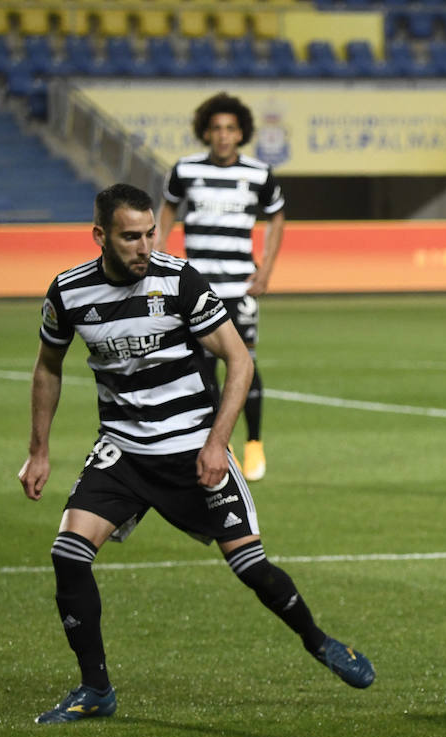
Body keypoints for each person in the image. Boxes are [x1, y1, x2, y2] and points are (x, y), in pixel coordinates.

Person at [19, 184, 373, 725]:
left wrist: (214, 442)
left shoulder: (180, 280)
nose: (143, 246)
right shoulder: (69, 293)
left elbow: (239, 361)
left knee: (251, 567)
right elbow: (48, 366)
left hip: (191, 449)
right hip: (123, 452)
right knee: (68, 555)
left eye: (149, 234)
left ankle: (319, 641)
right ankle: (96, 689)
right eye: (129, 236)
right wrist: (38, 452)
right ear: (100, 237)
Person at [159, 92, 284, 482]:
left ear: (241, 132)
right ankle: (220, 440)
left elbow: (277, 216)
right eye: (216, 128)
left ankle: (255, 443)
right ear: (205, 132)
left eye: (230, 129)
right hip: (197, 288)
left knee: (243, 360)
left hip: (240, 287)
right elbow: (166, 209)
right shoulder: (185, 170)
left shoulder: (258, 173)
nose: (223, 136)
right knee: (202, 364)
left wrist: (267, 269)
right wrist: (160, 254)